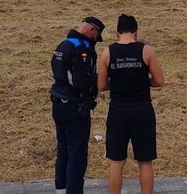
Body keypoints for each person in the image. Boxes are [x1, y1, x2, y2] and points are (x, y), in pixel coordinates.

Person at [98, 14, 164, 194]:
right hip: (142, 109)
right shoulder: (147, 50)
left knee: (116, 161)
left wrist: (120, 82)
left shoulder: (107, 52)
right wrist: (142, 81)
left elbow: (101, 85)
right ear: (136, 32)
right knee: (145, 161)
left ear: (117, 33)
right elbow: (159, 81)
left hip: (118, 110)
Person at [50, 16, 105, 194]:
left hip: (58, 102)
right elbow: (82, 81)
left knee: (63, 150)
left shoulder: (64, 44)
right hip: (75, 106)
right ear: (91, 31)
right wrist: (95, 85)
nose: (95, 41)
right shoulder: (83, 49)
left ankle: (61, 189)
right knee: (77, 154)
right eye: (96, 37)